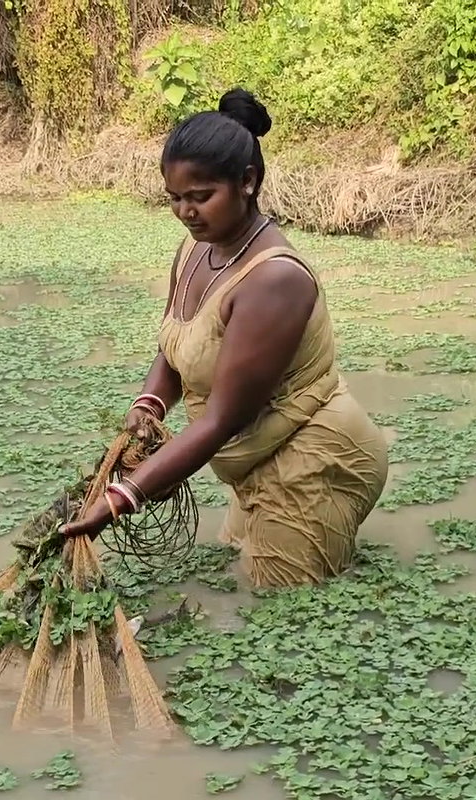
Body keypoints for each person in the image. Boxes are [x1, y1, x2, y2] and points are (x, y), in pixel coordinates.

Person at [59, 87, 390, 588]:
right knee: (236, 575)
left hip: (313, 457)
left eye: (200, 196)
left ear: (248, 183)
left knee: (284, 612)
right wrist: (148, 406)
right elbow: (174, 348)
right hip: (252, 463)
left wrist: (121, 498)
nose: (186, 212)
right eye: (175, 199)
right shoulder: (197, 251)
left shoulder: (274, 281)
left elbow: (221, 420)